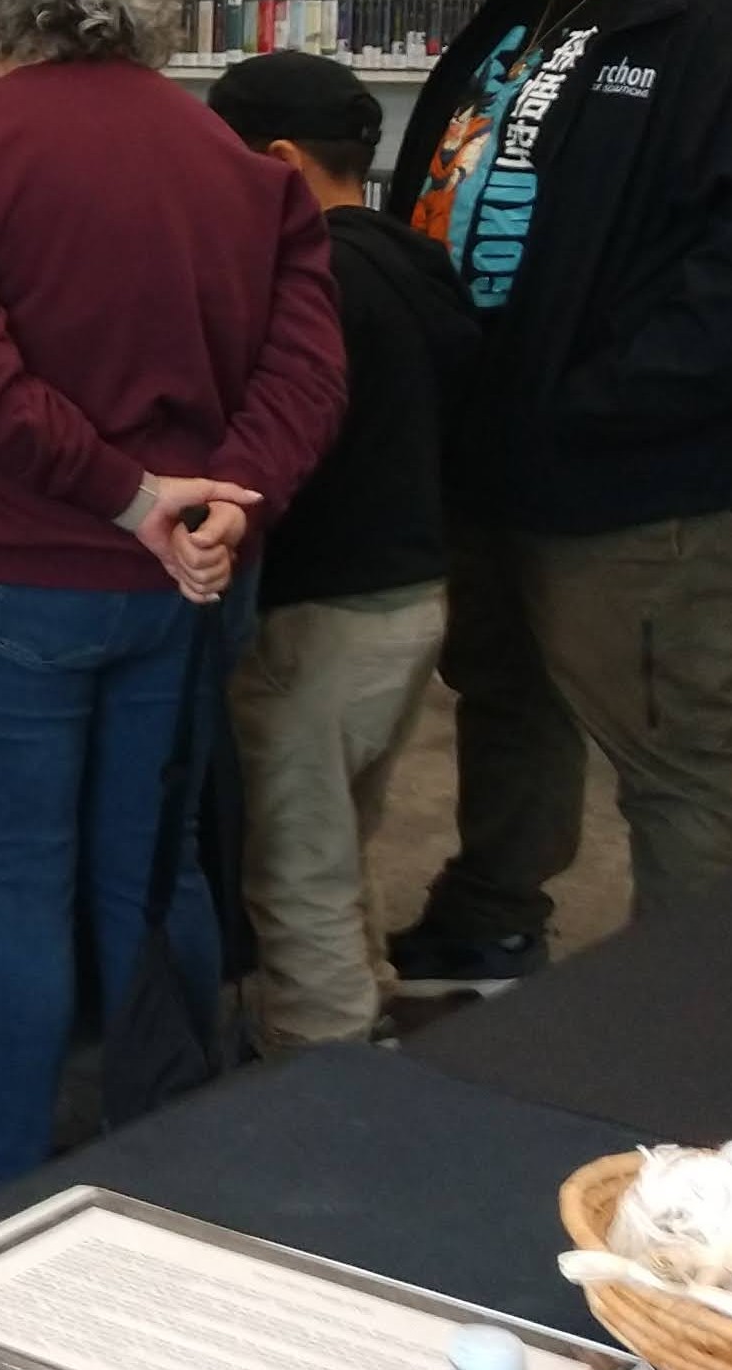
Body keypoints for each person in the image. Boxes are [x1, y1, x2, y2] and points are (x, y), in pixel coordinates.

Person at [0, 0, 346, 1234]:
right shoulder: (246, 171)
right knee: (158, 861)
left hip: (3, 576)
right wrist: (228, 500)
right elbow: (307, 374)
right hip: (189, 583)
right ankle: (167, 1145)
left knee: (12, 883)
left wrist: (127, 496)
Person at [382, 0, 732, 994]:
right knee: (504, 698)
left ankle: (698, 1010)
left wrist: (597, 405)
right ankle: (490, 919)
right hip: (491, 451)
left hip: (641, 485)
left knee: (675, 753)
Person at [206, 51, 478, 1052]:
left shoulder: (305, 279)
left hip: (317, 610)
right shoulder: (412, 262)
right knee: (343, 828)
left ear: (278, 162)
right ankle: (367, 1004)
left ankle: (317, 1068)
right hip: (410, 594)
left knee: (294, 861)